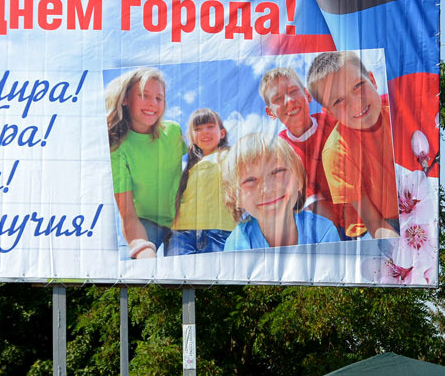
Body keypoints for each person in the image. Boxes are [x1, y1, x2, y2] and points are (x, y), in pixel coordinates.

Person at [307, 50, 399, 239]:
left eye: (358, 85)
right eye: (338, 101)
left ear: (373, 80)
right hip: (377, 224)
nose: (356, 103)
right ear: (330, 113)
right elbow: (373, 222)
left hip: (414, 205)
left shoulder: (401, 111)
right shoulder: (336, 151)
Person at [106, 66, 187, 259]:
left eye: (159, 98)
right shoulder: (117, 149)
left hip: (183, 221)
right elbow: (128, 215)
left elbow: (198, 163)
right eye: (144, 95)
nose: (153, 104)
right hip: (145, 222)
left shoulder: (173, 131)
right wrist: (141, 246)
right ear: (125, 99)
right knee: (136, 264)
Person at [220, 133, 341, 251]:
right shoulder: (237, 244)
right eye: (250, 180)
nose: (267, 189)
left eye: (277, 171)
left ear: (299, 179)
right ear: (235, 197)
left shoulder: (322, 232)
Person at [258, 66, 338, 222]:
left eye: (294, 91)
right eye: (277, 99)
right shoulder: (279, 151)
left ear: (307, 94)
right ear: (270, 112)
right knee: (310, 205)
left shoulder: (334, 120)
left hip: (360, 208)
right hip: (325, 223)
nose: (289, 100)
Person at [168, 108, 235, 255]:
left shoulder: (232, 156)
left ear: (222, 133)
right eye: (198, 129)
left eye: (210, 127)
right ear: (191, 137)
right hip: (182, 232)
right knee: (176, 277)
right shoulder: (187, 167)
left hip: (220, 231)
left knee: (216, 277)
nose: (205, 132)